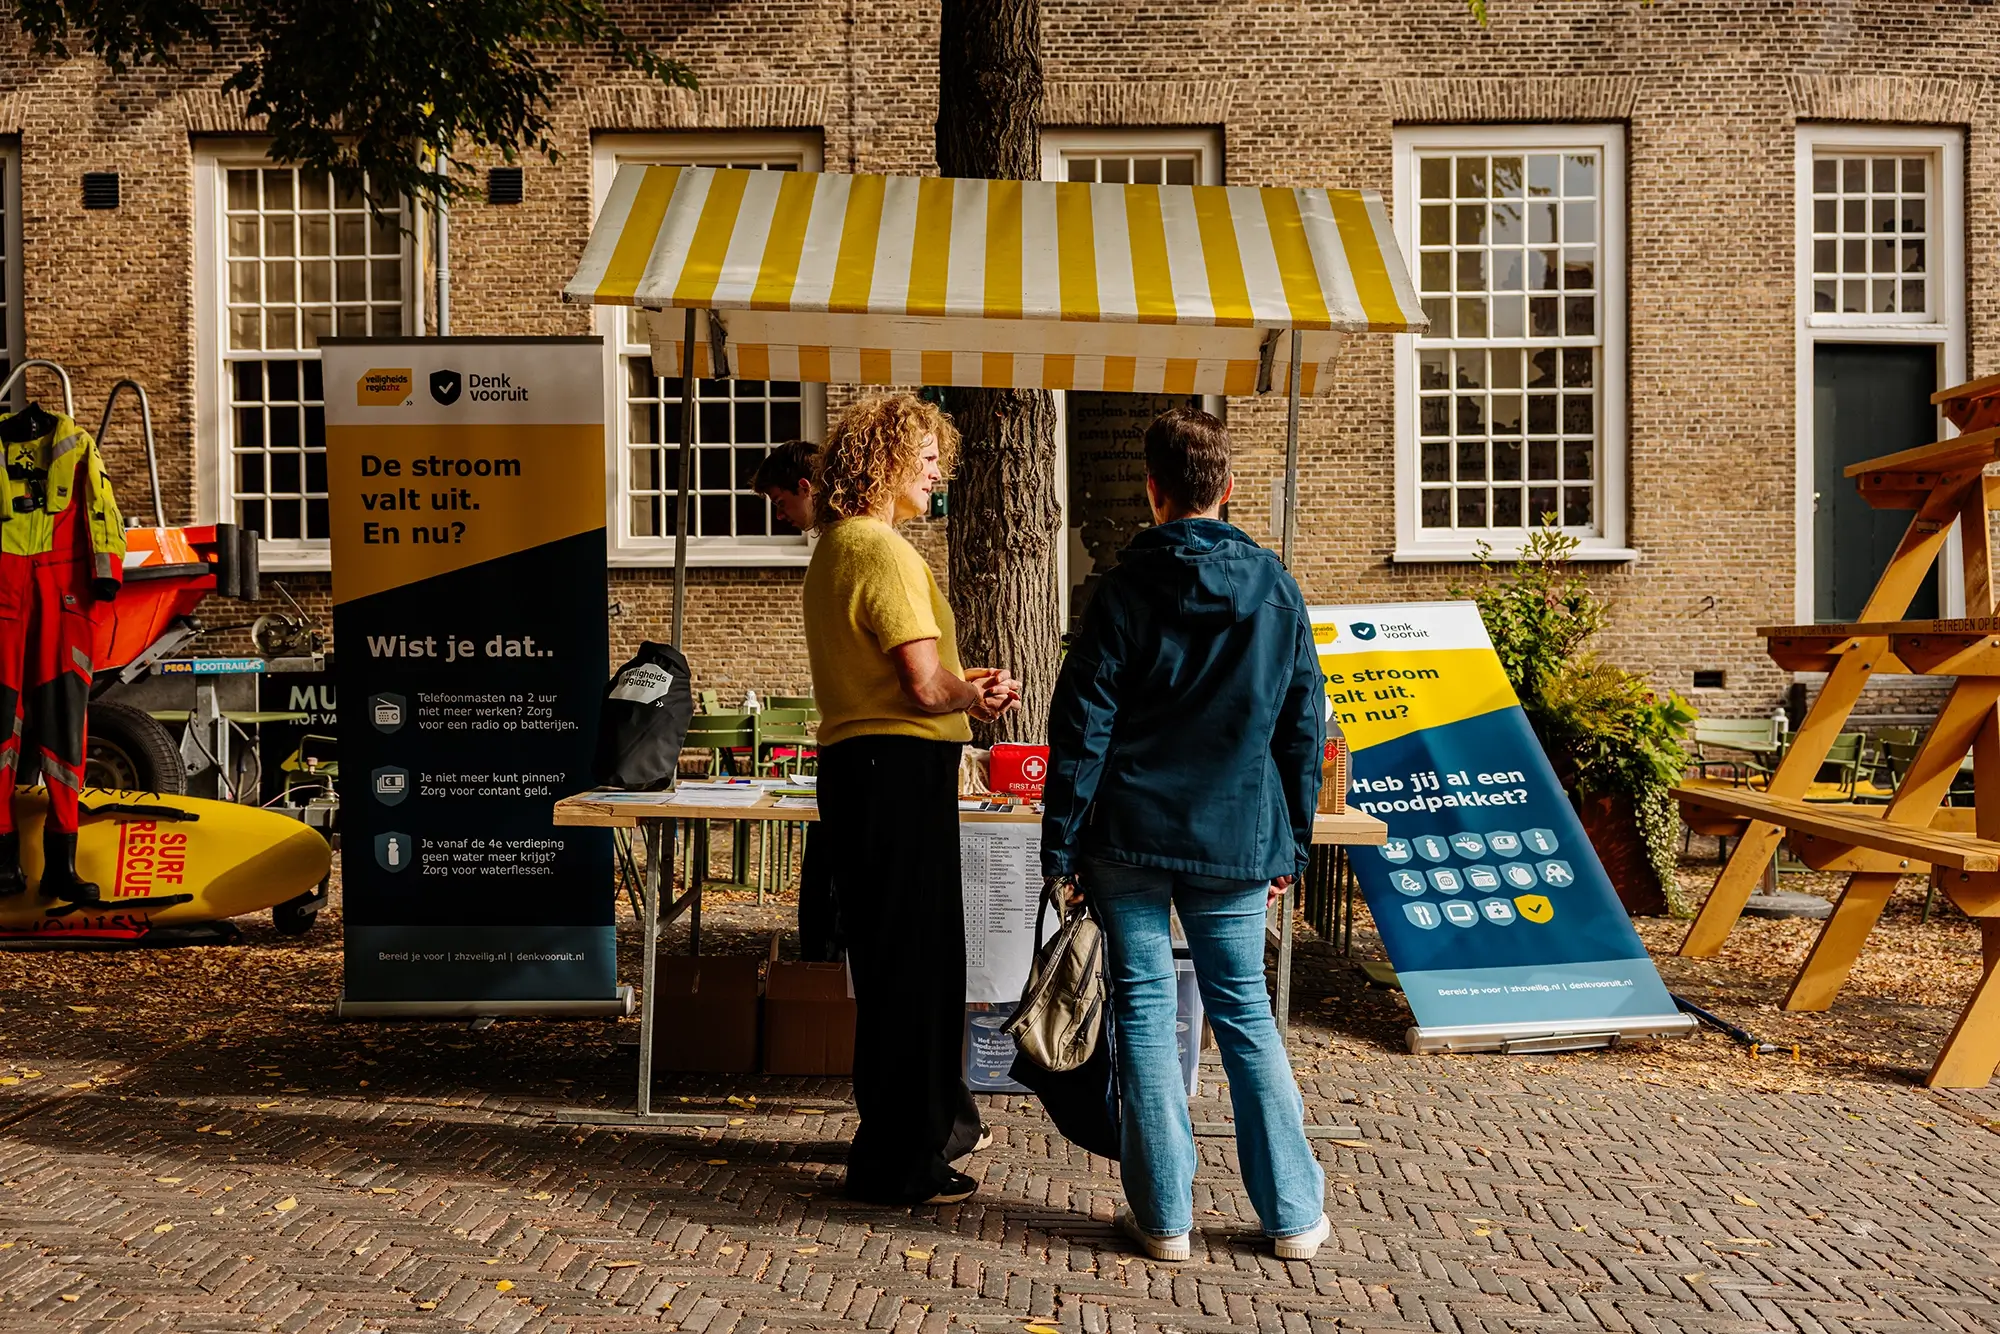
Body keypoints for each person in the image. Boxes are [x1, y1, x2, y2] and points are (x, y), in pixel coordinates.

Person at [1041, 406, 1330, 1263]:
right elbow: (1303, 727)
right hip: (1235, 834)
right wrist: (1293, 839)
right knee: (1244, 1013)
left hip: (1127, 833)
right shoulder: (1276, 589)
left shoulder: (1122, 591)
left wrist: (1062, 846)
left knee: (1143, 1012)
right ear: (1227, 489)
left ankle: (1163, 1217)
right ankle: (1292, 1216)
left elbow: (1082, 728)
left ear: (1153, 491)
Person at [802, 393, 1021, 1206]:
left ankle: (898, 1145)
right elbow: (924, 687)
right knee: (918, 967)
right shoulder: (882, 550)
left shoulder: (835, 547)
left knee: (890, 963)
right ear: (888, 461)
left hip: (859, 769)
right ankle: (901, 1162)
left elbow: (899, 678)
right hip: (896, 770)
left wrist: (959, 687)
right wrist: (975, 693)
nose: (938, 475)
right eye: (927, 460)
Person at [752, 440, 838, 961]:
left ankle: (820, 968)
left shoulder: (844, 548)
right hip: (844, 742)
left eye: (781, 502)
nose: (780, 515)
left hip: (850, 746)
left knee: (828, 875)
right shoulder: (833, 549)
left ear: (806, 488)